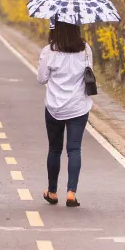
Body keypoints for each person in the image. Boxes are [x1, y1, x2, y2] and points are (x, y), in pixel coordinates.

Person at [38, 20, 92, 208]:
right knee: (74, 149)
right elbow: (89, 73)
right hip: (78, 107)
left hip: (54, 107)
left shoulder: (49, 51)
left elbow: (41, 78)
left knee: (54, 149)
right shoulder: (85, 49)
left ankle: (52, 192)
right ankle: (71, 193)